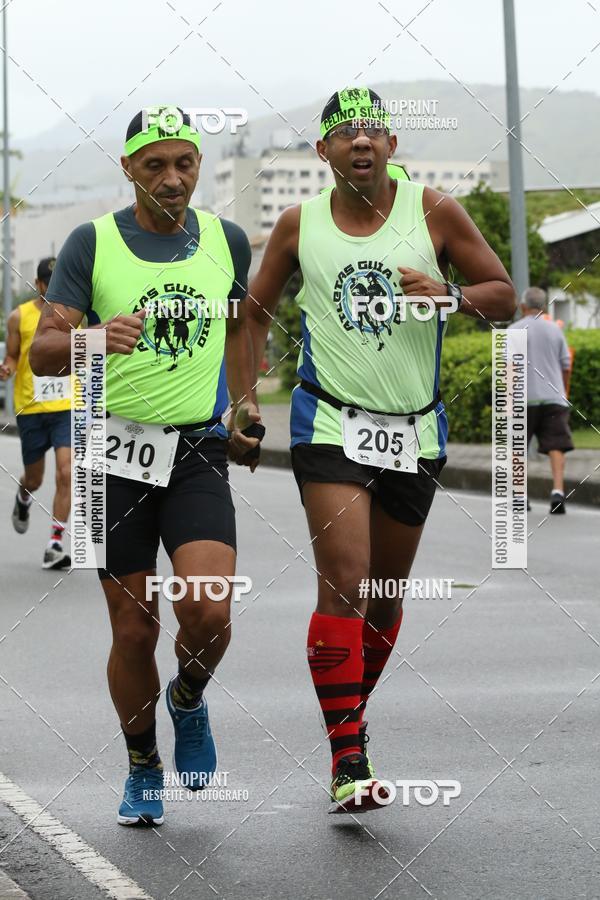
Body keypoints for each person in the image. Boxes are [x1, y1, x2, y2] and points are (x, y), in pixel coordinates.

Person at [246, 87, 516, 813]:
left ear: (392, 145)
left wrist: (450, 295)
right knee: (347, 581)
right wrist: (246, 398)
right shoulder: (298, 224)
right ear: (323, 151)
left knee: (386, 597)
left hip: (414, 431)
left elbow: (503, 293)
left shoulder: (434, 211)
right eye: (345, 133)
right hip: (329, 423)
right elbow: (254, 310)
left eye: (372, 131)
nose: (360, 141)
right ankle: (348, 758)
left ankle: (350, 716)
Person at [30, 107, 262, 827]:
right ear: (128, 167)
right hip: (112, 454)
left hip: (195, 450)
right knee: (134, 631)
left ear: (199, 166)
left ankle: (187, 697)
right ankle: (141, 764)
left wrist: (245, 407)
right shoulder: (91, 242)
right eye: (154, 165)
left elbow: (238, 329)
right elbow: (43, 355)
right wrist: (95, 338)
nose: (171, 178)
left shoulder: (226, 240)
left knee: (209, 609)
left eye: (183, 163)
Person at [0, 257, 72, 569]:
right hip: (31, 408)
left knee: (66, 472)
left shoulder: (75, 314)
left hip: (66, 407)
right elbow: (13, 356)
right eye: (48, 283)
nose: (53, 288)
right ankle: (23, 496)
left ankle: (55, 544)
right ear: (39, 284)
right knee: (35, 478)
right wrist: (7, 368)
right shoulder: (19, 316)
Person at [509, 287, 573, 514]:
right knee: (557, 445)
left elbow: (509, 369)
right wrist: (563, 391)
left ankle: (520, 496)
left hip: (523, 399)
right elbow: (566, 365)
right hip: (553, 397)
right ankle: (558, 492)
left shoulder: (514, 330)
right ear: (544, 307)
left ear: (523, 306)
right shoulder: (555, 330)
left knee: (518, 447)